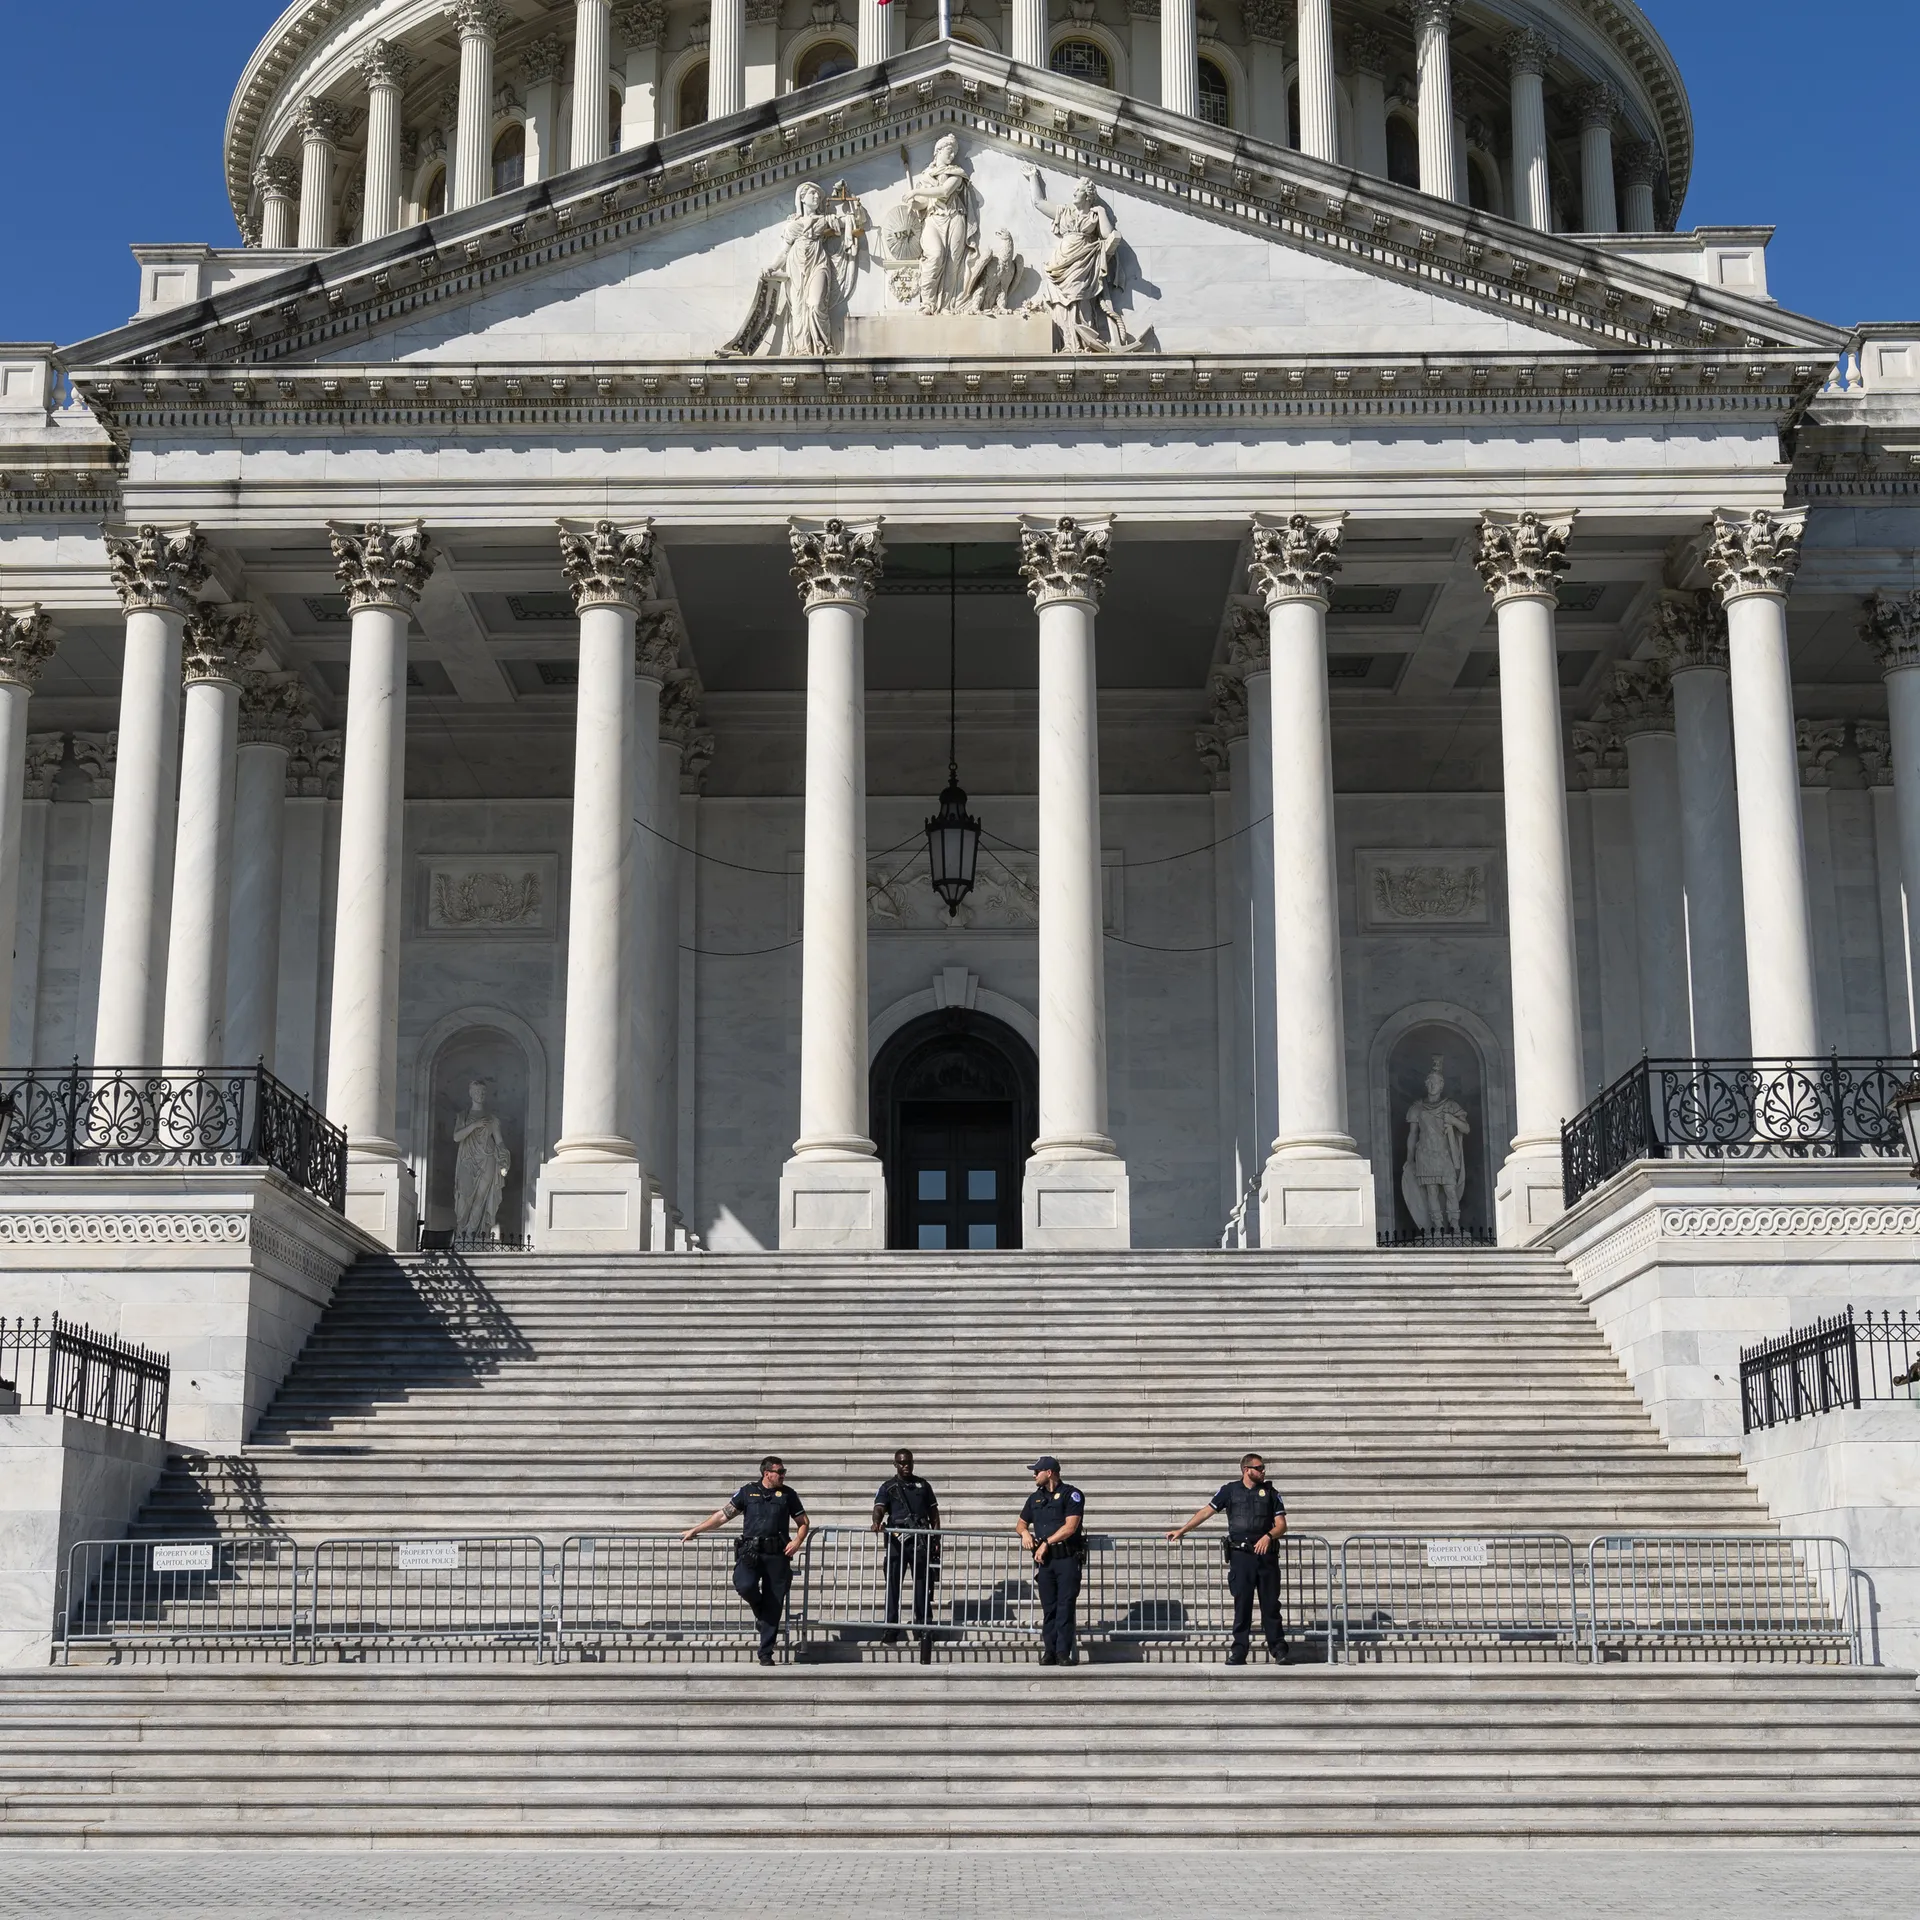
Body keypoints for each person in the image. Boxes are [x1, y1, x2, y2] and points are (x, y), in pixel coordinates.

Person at [682, 1455, 810, 1666]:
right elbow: (723, 1516)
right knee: (744, 1585)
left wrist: (798, 1540)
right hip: (751, 1552)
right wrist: (695, 1530)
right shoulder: (747, 1492)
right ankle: (761, 1613)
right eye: (779, 1472)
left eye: (784, 1471)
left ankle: (766, 1653)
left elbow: (803, 1521)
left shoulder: (788, 1495)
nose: (783, 1475)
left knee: (775, 1603)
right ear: (766, 1473)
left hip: (778, 1555)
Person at [1166, 1452, 1290, 1666]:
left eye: (1263, 1468)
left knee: (1271, 1605)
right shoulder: (1229, 1491)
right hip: (1241, 1557)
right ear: (1246, 1470)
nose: (1263, 1471)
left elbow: (1281, 1525)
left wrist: (1268, 1536)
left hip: (1266, 1557)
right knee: (1242, 1605)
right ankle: (1239, 1651)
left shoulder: (1271, 1493)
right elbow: (1206, 1511)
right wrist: (1183, 1530)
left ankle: (1279, 1650)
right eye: (1259, 1468)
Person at [871, 1448, 941, 1663]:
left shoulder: (923, 1485)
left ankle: (923, 1626)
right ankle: (891, 1627)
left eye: (909, 1462)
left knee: (922, 1585)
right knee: (893, 1585)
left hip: (921, 1541)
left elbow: (933, 1513)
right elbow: (879, 1507)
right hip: (897, 1542)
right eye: (901, 1463)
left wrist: (936, 1538)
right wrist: (876, 1521)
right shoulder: (889, 1487)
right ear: (895, 1464)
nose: (906, 1466)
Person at [1016, 1456, 1086, 1668]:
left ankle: (1063, 1652)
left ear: (1049, 1472)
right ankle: (1049, 1651)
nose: (1034, 1475)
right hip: (1046, 1562)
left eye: (1037, 1471)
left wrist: (1046, 1542)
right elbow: (1020, 1523)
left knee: (1065, 1606)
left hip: (1066, 1559)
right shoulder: (1034, 1498)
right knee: (1049, 1608)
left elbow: (1070, 1527)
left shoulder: (1071, 1495)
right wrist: (1025, 1534)